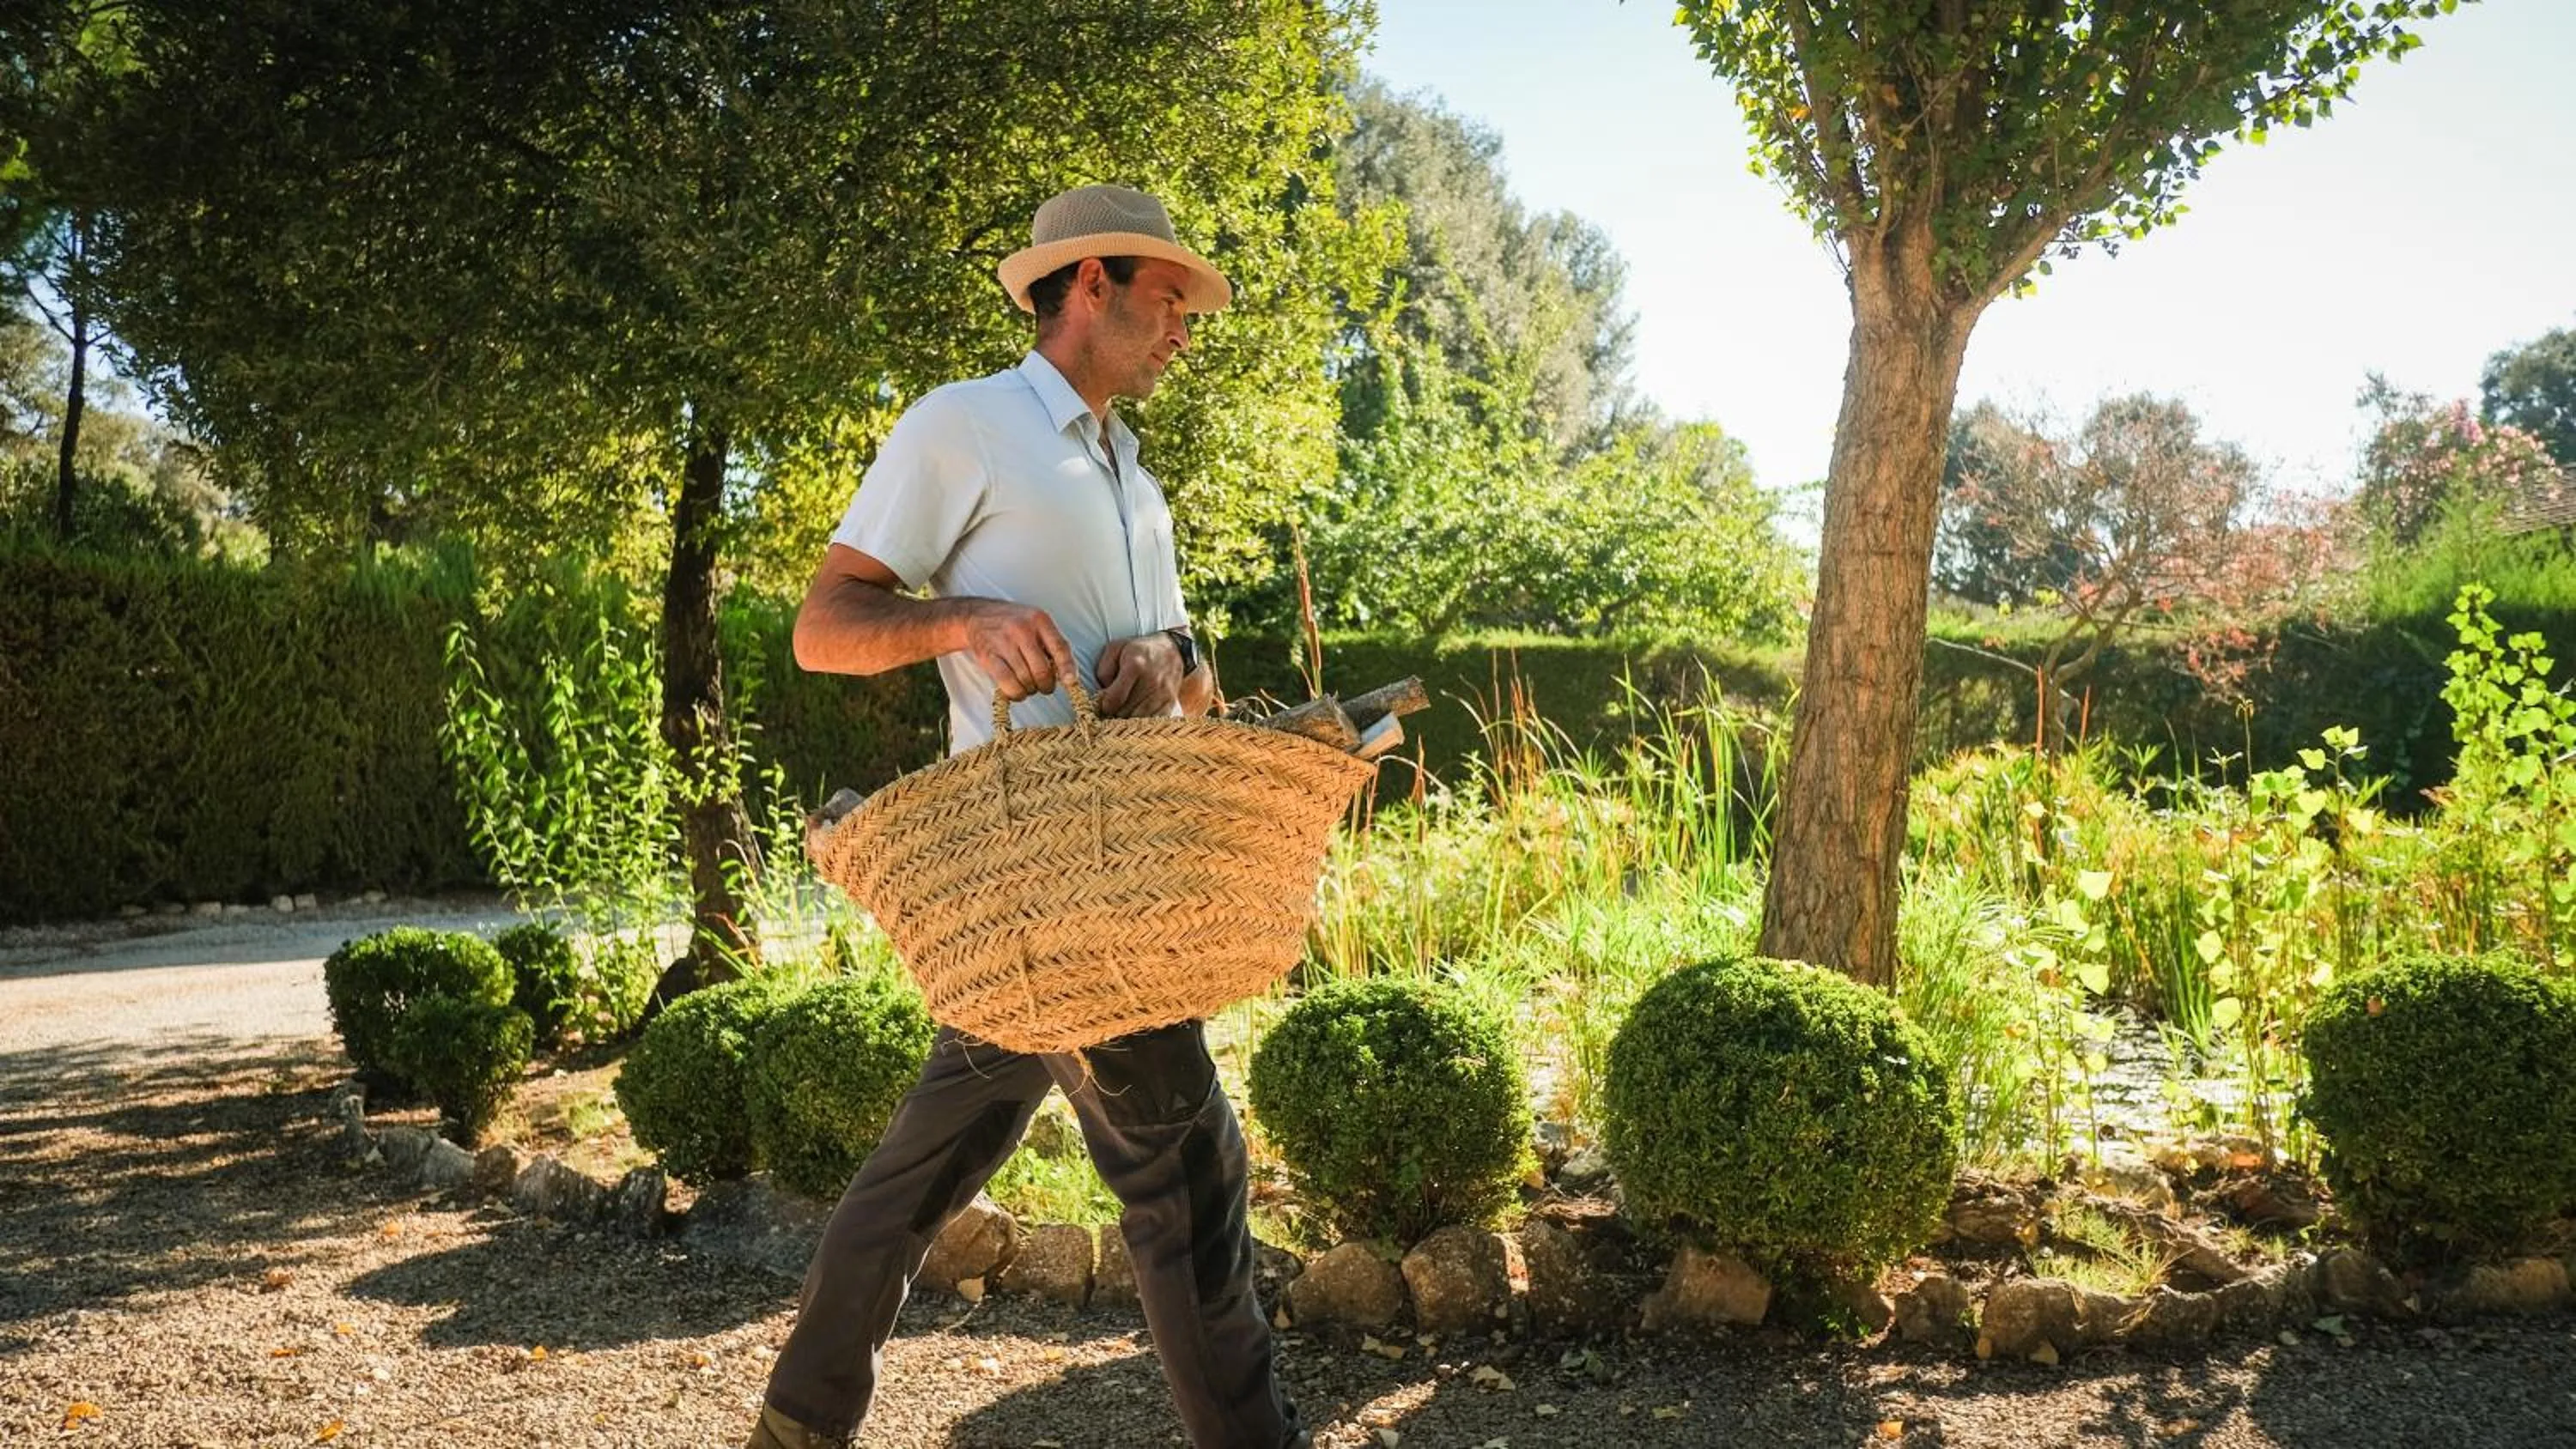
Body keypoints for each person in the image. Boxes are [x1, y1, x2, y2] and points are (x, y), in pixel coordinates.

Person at [747, 184, 1307, 1449]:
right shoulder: (968, 426)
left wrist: (1170, 660)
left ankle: (798, 1421)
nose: (1183, 333)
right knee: (1188, 1170)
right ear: (1088, 287)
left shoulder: (1130, 472)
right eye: (1168, 303)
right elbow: (823, 625)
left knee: (925, 1168)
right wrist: (962, 620)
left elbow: (1189, 670)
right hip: (1048, 886)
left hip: (1108, 871)